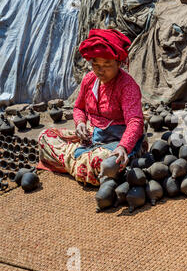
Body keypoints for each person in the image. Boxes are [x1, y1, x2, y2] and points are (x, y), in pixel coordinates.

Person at [37, 29, 148, 186]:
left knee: (104, 161)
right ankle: (89, 167)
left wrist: (123, 146)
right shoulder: (89, 79)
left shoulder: (127, 86)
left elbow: (135, 121)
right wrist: (80, 123)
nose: (100, 70)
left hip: (118, 141)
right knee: (45, 136)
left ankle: (91, 164)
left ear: (118, 63)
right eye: (95, 64)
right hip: (91, 136)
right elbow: (78, 108)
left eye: (107, 64)